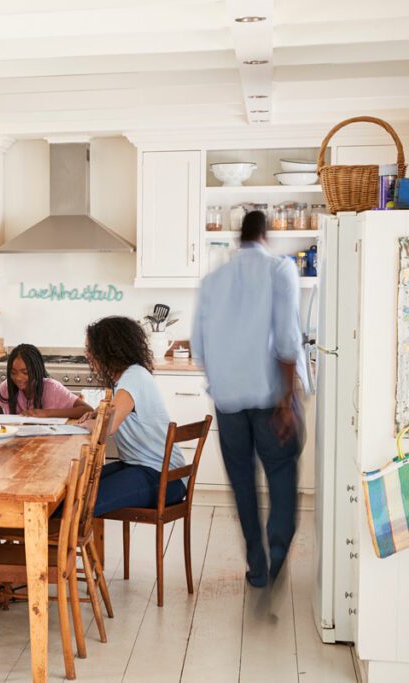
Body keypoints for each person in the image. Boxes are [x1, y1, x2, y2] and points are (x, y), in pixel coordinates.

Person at [191, 210, 306, 587]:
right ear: (264, 235)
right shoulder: (279, 270)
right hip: (271, 398)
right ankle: (275, 554)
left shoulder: (211, 281)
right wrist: (287, 402)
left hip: (228, 404)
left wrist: (222, 380)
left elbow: (199, 348)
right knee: (281, 473)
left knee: (242, 482)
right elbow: (288, 340)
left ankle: (256, 563)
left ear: (239, 236)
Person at [82, 316, 187, 517]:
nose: (87, 354)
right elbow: (118, 412)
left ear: (109, 350)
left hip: (163, 477)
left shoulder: (133, 376)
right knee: (75, 490)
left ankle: (59, 546)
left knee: (81, 502)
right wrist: (95, 414)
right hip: (138, 466)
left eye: (91, 349)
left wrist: (89, 422)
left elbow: (108, 426)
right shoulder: (126, 378)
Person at [0, 343, 92, 420]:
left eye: (25, 372)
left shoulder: (52, 388)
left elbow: (87, 410)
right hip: (14, 447)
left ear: (36, 371)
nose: (18, 378)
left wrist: (46, 413)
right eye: (13, 372)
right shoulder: (7, 387)